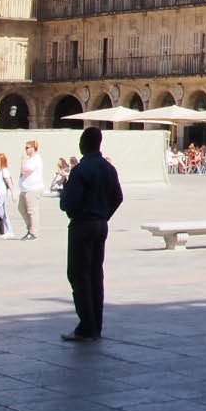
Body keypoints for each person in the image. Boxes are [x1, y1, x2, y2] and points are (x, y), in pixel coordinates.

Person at [58, 127, 122, 341]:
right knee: (96, 274)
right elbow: (118, 197)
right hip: (100, 225)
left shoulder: (81, 170)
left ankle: (86, 326)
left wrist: (71, 208)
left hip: (82, 225)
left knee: (79, 274)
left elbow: (69, 202)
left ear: (83, 144)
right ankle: (96, 325)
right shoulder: (108, 168)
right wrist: (104, 215)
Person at [17, 140, 45, 240]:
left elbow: (24, 171)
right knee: (21, 208)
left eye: (27, 148)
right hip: (25, 189)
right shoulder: (30, 159)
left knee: (32, 211)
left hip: (33, 189)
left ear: (34, 148)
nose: (26, 150)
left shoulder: (35, 159)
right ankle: (30, 229)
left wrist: (23, 160)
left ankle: (33, 232)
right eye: (26, 148)